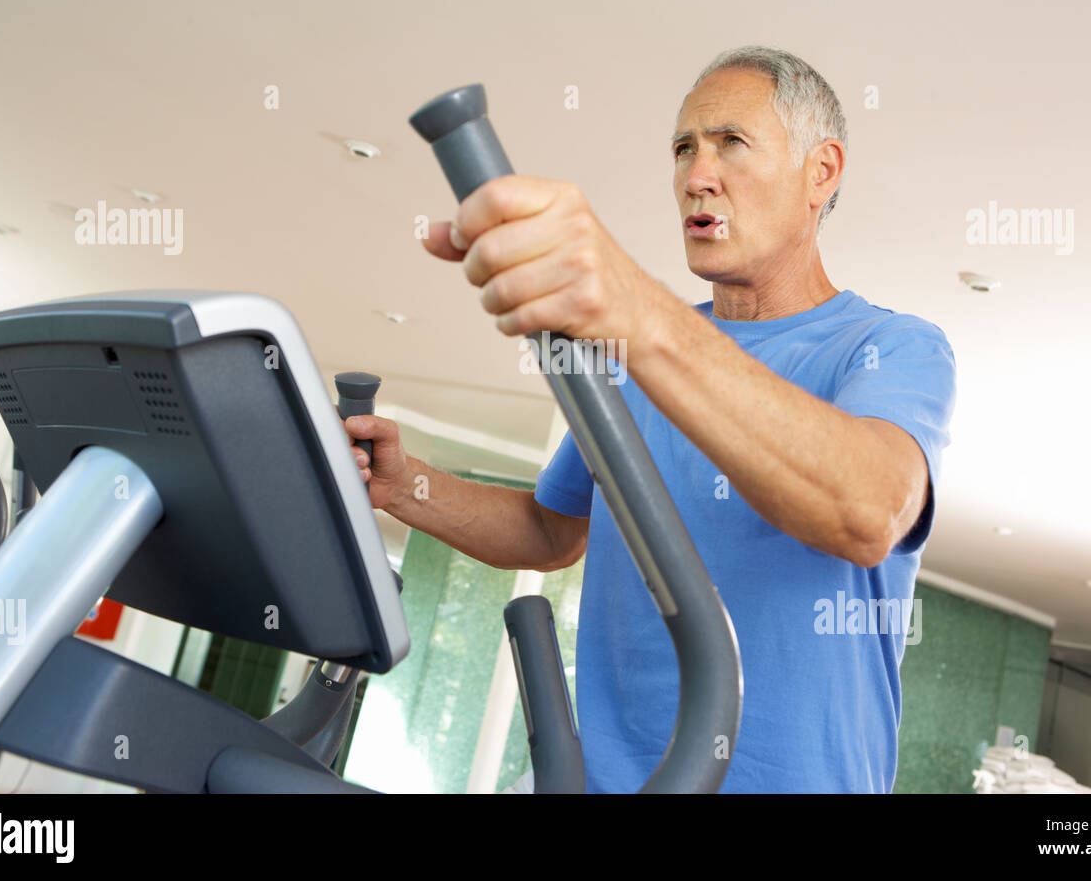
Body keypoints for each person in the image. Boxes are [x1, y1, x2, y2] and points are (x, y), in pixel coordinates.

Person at [347, 45, 957, 792]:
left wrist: (638, 314)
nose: (697, 174)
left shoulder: (887, 349)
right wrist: (404, 487)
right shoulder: (633, 356)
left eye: (732, 142)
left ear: (820, 171)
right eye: (682, 149)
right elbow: (552, 531)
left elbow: (866, 511)